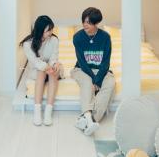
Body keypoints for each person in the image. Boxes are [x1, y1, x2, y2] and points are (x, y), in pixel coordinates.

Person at [71, 7, 115, 136]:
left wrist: (98, 80)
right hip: (82, 69)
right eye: (83, 21)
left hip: (101, 70)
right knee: (87, 82)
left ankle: (87, 119)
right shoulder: (77, 37)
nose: (85, 25)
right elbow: (82, 62)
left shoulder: (105, 37)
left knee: (110, 83)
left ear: (96, 23)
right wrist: (94, 80)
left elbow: (105, 62)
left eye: (89, 22)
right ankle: (90, 120)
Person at [19, 15, 62, 126]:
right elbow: (35, 62)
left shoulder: (54, 40)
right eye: (48, 30)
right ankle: (37, 111)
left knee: (54, 71)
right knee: (41, 70)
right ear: (40, 30)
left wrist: (54, 64)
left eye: (51, 29)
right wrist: (46, 67)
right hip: (37, 70)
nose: (51, 32)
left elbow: (53, 57)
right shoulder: (28, 43)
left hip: (50, 68)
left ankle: (48, 111)